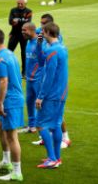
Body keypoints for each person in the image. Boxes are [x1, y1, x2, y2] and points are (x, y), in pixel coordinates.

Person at [0, 28, 25, 182]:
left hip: (11, 100)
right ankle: (6, 161)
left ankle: (17, 172)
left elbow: (4, 81)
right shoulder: (9, 54)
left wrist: (1, 102)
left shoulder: (1, 59)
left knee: (12, 136)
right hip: (13, 97)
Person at [32, 14, 70, 148]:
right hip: (43, 78)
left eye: (43, 24)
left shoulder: (56, 43)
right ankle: (46, 138)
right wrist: (38, 43)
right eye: (41, 23)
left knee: (56, 115)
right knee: (44, 112)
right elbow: (41, 61)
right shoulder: (44, 40)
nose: (40, 27)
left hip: (54, 85)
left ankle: (64, 138)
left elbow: (52, 69)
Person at [20, 23, 40, 134]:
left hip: (38, 80)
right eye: (22, 30)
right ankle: (32, 126)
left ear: (32, 30)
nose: (22, 32)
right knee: (29, 102)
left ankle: (42, 128)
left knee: (40, 104)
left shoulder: (39, 43)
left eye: (25, 30)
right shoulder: (28, 42)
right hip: (29, 79)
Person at [7, 0, 32, 77]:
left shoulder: (29, 11)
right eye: (18, 3)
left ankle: (24, 72)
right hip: (14, 34)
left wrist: (17, 21)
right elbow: (10, 21)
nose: (20, 5)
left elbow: (27, 23)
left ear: (25, 4)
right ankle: (6, 69)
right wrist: (17, 21)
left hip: (24, 35)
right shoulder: (13, 10)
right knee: (8, 52)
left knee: (24, 53)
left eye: (21, 3)